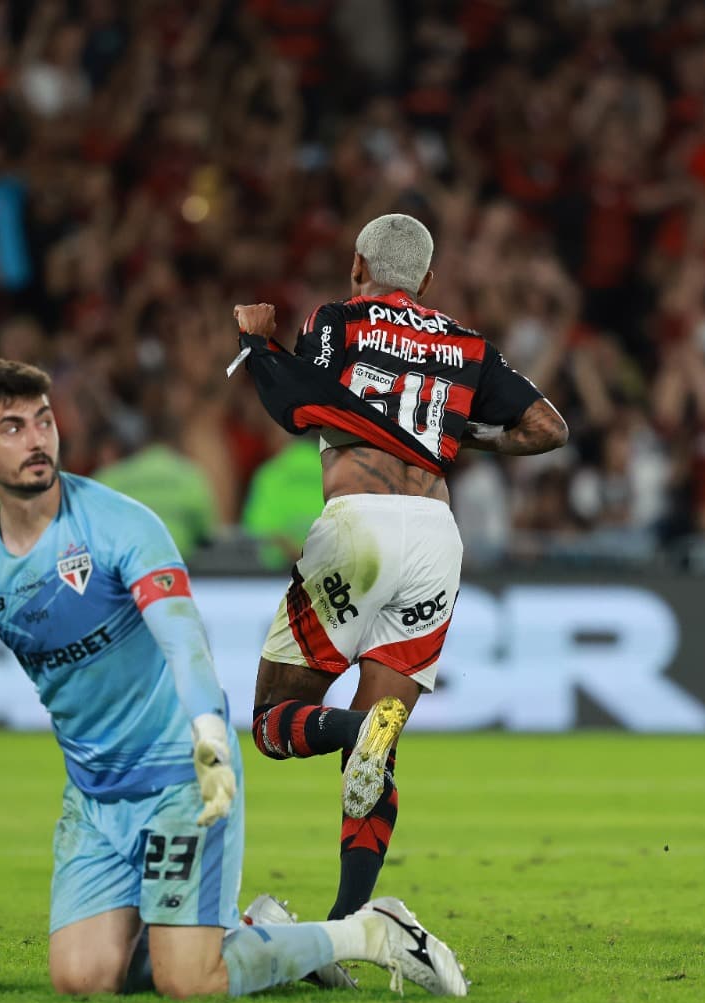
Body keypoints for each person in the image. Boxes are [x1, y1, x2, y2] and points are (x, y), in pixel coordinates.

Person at [0, 359, 467, 999]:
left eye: (44, 422)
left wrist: (210, 739)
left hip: (181, 770)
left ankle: (371, 930)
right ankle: (255, 932)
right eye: (12, 427)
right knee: (82, 979)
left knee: (190, 981)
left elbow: (183, 639)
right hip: (92, 795)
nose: (35, 440)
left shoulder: (118, 524)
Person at [229, 213, 568, 920]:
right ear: (429, 281)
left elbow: (298, 403)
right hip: (438, 538)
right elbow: (547, 428)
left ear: (358, 265)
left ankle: (353, 731)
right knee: (380, 749)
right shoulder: (468, 344)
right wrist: (452, 437)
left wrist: (255, 343)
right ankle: (348, 921)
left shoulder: (338, 320)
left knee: (269, 723)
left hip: (362, 524)